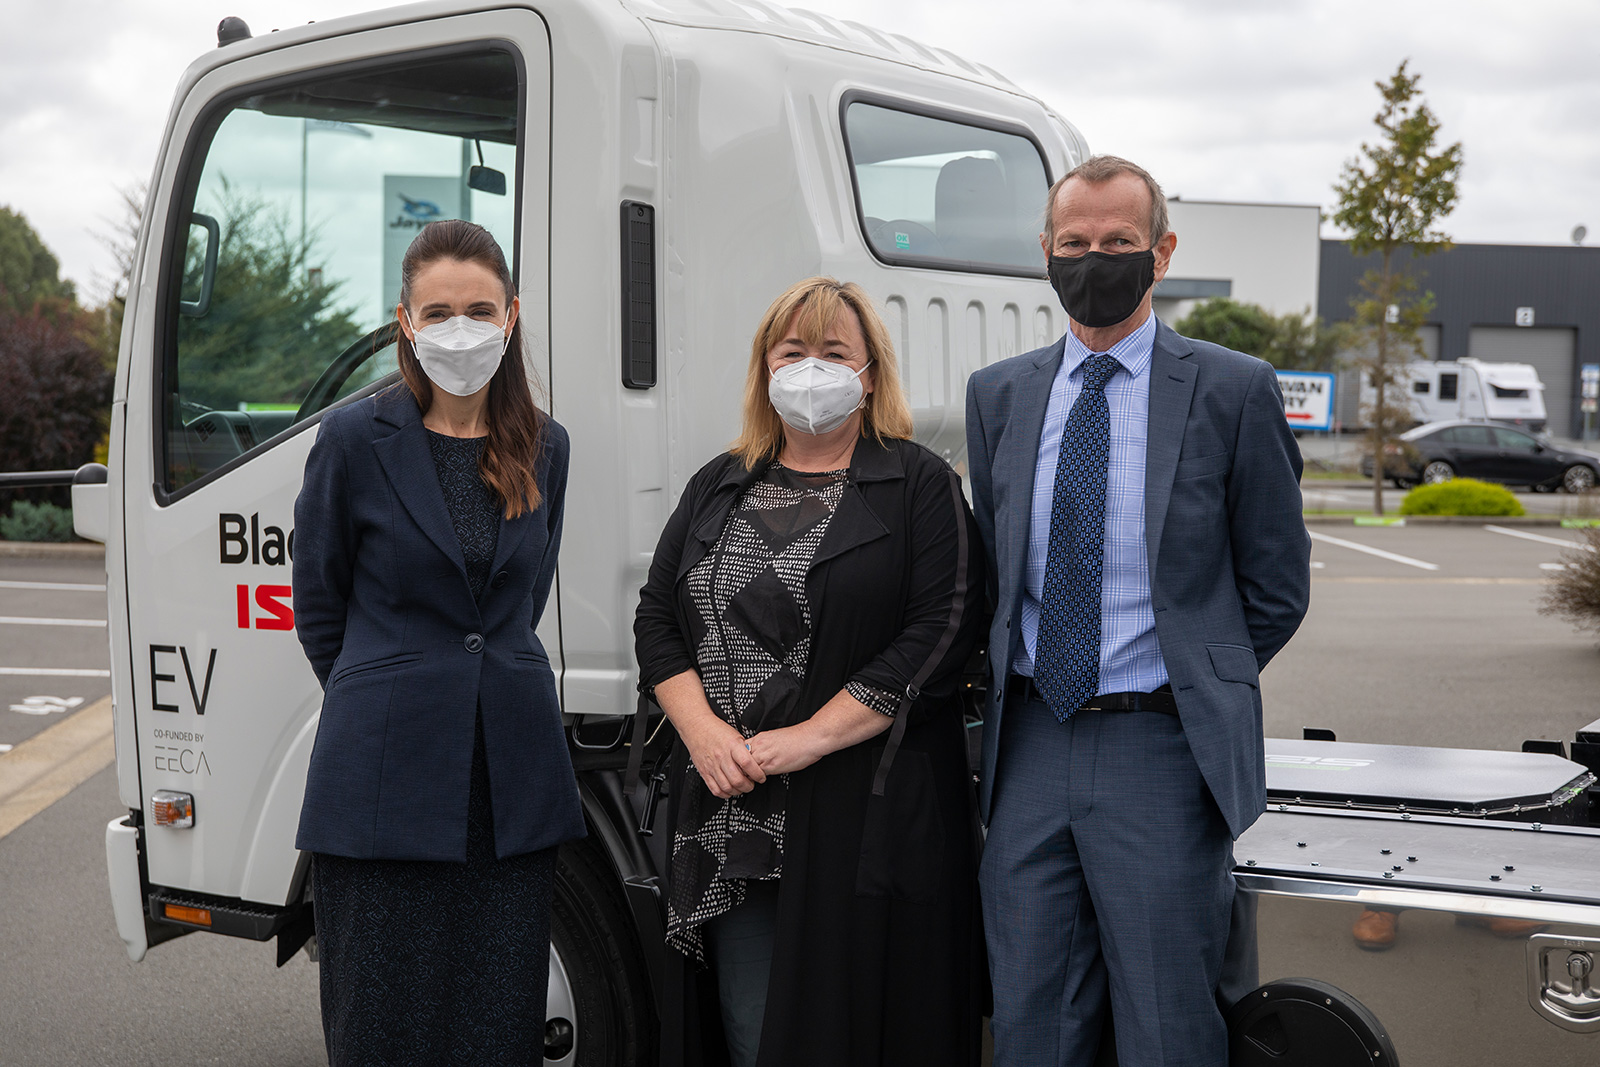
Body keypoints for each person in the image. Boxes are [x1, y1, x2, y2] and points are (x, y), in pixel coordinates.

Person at [965, 156, 1312, 1066]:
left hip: (1162, 748)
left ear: (1160, 253)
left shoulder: (1234, 389)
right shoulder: (998, 394)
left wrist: (1198, 674)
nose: (1095, 259)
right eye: (1075, 243)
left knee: (1168, 1024)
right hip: (1030, 744)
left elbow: (1276, 584)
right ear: (1045, 252)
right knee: (1031, 1017)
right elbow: (994, 570)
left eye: (1118, 242)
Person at [634, 277, 986, 1067]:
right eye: (793, 351)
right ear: (765, 368)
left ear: (869, 374)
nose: (811, 368)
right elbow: (657, 619)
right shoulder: (720, 483)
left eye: (834, 352)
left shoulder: (920, 484)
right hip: (734, 815)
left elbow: (943, 630)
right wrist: (703, 733)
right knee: (756, 1033)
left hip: (866, 815)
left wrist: (806, 740)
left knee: (863, 1030)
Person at [292, 219, 584, 1065]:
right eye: (442, 309)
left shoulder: (548, 445)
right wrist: (392, 691)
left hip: (508, 784)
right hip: (384, 785)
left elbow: (522, 599)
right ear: (407, 321)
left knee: (496, 1029)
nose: (463, 327)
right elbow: (321, 607)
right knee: (383, 1030)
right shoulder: (353, 438)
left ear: (513, 315)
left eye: (481, 308)